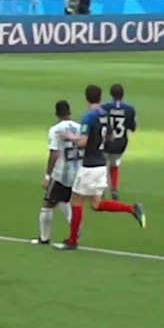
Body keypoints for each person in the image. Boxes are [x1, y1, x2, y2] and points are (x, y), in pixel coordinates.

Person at [61, 85, 144, 249]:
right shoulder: (105, 114)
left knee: (76, 201)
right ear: (100, 97)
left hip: (90, 165)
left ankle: (72, 241)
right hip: (100, 166)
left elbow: (83, 142)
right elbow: (111, 136)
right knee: (96, 204)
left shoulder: (88, 116)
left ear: (87, 98)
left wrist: (71, 137)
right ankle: (131, 209)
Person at [34, 100, 82, 245]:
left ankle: (44, 238)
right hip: (77, 171)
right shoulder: (80, 127)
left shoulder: (55, 129)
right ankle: (75, 231)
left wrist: (47, 176)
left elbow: (54, 154)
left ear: (56, 114)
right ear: (70, 112)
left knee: (47, 204)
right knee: (67, 202)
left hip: (61, 173)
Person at [100, 83, 138, 200]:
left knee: (102, 165)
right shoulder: (129, 109)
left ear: (111, 94)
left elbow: (100, 124)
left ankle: (101, 189)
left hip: (106, 141)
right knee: (115, 164)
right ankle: (114, 188)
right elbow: (132, 127)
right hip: (120, 143)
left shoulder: (105, 107)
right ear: (122, 95)